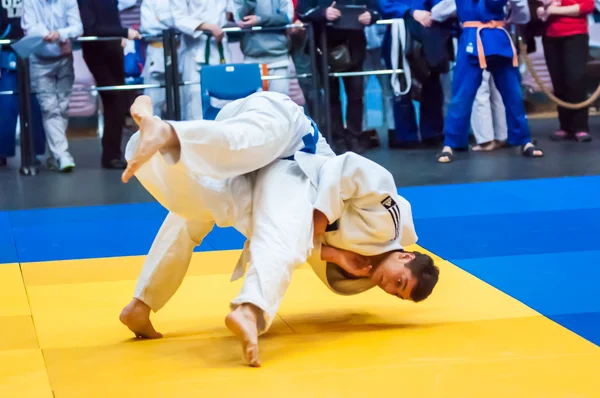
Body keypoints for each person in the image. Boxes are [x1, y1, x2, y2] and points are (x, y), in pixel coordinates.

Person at [118, 91, 440, 367]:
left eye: (395, 293)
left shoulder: (351, 278)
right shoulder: (392, 220)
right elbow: (346, 168)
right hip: (291, 134)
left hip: (276, 173)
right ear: (407, 257)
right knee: (242, 142)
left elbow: (292, 244)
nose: (388, 286)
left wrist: (336, 256)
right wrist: (319, 226)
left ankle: (142, 304)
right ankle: (170, 134)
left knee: (199, 204)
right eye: (399, 281)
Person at [435, 0, 544, 162]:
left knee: (511, 94)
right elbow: (522, 15)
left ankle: (523, 140)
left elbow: (438, 13)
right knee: (464, 96)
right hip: (483, 38)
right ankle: (451, 143)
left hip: (488, 37)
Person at [296, 0, 380, 154]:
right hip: (324, 48)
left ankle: (354, 137)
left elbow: (376, 9)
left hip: (355, 49)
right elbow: (302, 11)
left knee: (356, 95)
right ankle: (337, 139)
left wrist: (371, 15)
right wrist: (323, 13)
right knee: (331, 97)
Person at [77, 0, 142, 169]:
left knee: (118, 102)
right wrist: (123, 32)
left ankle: (113, 154)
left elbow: (110, 20)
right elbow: (89, 28)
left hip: (113, 48)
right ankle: (110, 155)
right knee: (114, 98)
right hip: (96, 53)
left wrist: (118, 35)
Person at [22, 0, 83, 172]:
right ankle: (63, 156)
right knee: (49, 108)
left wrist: (60, 34)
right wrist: (46, 34)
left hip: (64, 59)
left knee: (62, 108)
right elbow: (29, 28)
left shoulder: (69, 1)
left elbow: (78, 27)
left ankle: (53, 156)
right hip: (39, 61)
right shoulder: (30, 2)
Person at [537, 0, 594, 142]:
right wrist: (542, 9)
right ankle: (565, 126)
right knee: (558, 81)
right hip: (551, 36)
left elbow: (586, 6)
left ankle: (580, 127)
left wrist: (554, 10)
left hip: (575, 35)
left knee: (575, 80)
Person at [0, 0, 47, 167]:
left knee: (34, 105)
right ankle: (2, 152)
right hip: (6, 54)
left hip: (34, 53)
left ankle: (34, 151)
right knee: (6, 105)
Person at [171, 0, 232, 121]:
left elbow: (231, 10)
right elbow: (178, 18)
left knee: (224, 102)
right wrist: (208, 26)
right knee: (195, 104)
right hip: (195, 49)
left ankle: (222, 137)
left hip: (219, 47)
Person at [232, 0, 294, 94]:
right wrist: (250, 2)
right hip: (252, 59)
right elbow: (239, 19)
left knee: (279, 105)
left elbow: (287, 17)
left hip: (278, 59)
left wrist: (260, 20)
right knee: (254, 105)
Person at [140, 0, 177, 117]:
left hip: (180, 51)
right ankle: (151, 133)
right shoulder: (149, 2)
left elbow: (184, 23)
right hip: (156, 52)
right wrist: (175, 25)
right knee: (153, 101)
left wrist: (161, 20)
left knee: (180, 99)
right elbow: (149, 26)